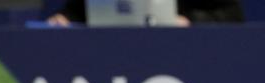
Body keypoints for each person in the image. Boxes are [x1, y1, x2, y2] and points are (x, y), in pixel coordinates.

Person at [48, 0, 243, 26]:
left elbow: (233, 16)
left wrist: (189, 21)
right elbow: (77, 12)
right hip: (110, 54)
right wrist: (65, 19)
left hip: (182, 56)